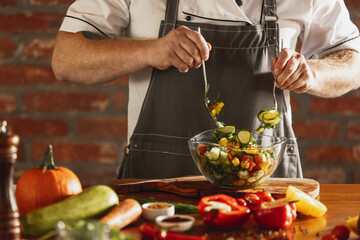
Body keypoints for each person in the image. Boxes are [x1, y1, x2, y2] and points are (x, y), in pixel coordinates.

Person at [52, 0, 360, 179]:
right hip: (158, 187)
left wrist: (312, 72)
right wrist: (148, 52)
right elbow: (66, 59)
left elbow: (354, 61)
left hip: (266, 188)